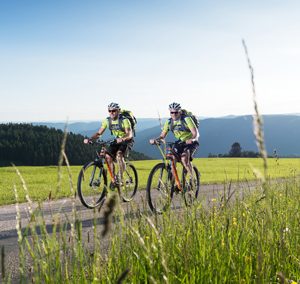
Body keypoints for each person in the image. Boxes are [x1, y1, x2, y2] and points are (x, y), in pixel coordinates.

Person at [84, 102, 134, 184]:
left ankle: (120, 177)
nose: (111, 113)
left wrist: (122, 139)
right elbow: (99, 133)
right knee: (107, 157)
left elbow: (130, 134)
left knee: (119, 155)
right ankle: (113, 179)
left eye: (114, 110)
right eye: (109, 111)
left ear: (118, 111)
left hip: (127, 140)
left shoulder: (125, 120)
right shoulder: (107, 121)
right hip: (116, 140)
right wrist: (90, 138)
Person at [149, 102, 199, 176]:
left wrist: (191, 139)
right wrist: (156, 139)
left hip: (191, 142)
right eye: (172, 112)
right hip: (180, 142)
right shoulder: (169, 122)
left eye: (176, 112)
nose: (174, 114)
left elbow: (195, 133)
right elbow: (163, 135)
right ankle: (175, 183)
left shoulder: (186, 119)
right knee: (172, 159)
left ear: (180, 112)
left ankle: (192, 179)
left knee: (184, 160)